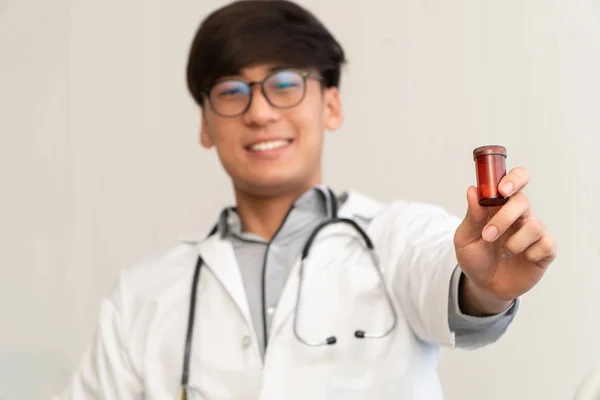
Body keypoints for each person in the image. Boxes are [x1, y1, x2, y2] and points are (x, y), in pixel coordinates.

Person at [54, 1, 557, 399]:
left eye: (285, 85)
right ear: (205, 125)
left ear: (331, 105)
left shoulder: (395, 237)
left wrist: (488, 290)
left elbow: (448, 277)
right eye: (232, 91)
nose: (260, 113)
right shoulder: (143, 295)